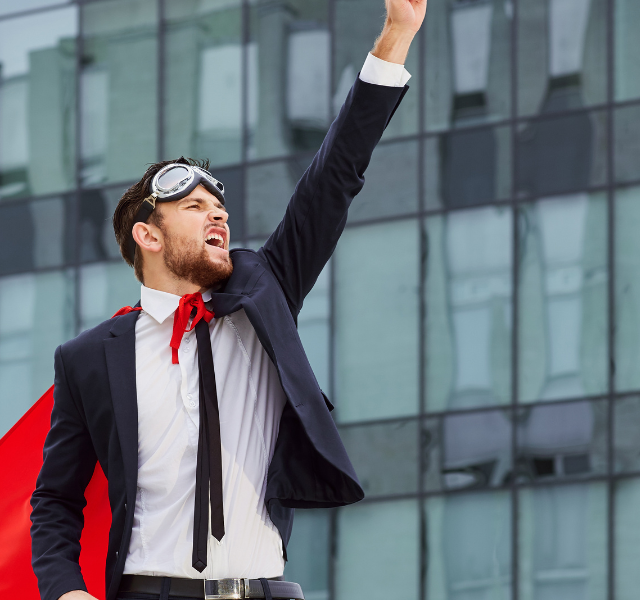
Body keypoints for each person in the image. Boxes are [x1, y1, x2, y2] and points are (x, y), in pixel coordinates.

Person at [29, 1, 427, 599]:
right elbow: (55, 499)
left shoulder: (264, 292)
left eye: (220, 208)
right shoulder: (89, 359)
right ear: (148, 235)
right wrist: (66, 592)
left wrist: (396, 35)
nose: (217, 214)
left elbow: (335, 174)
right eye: (193, 207)